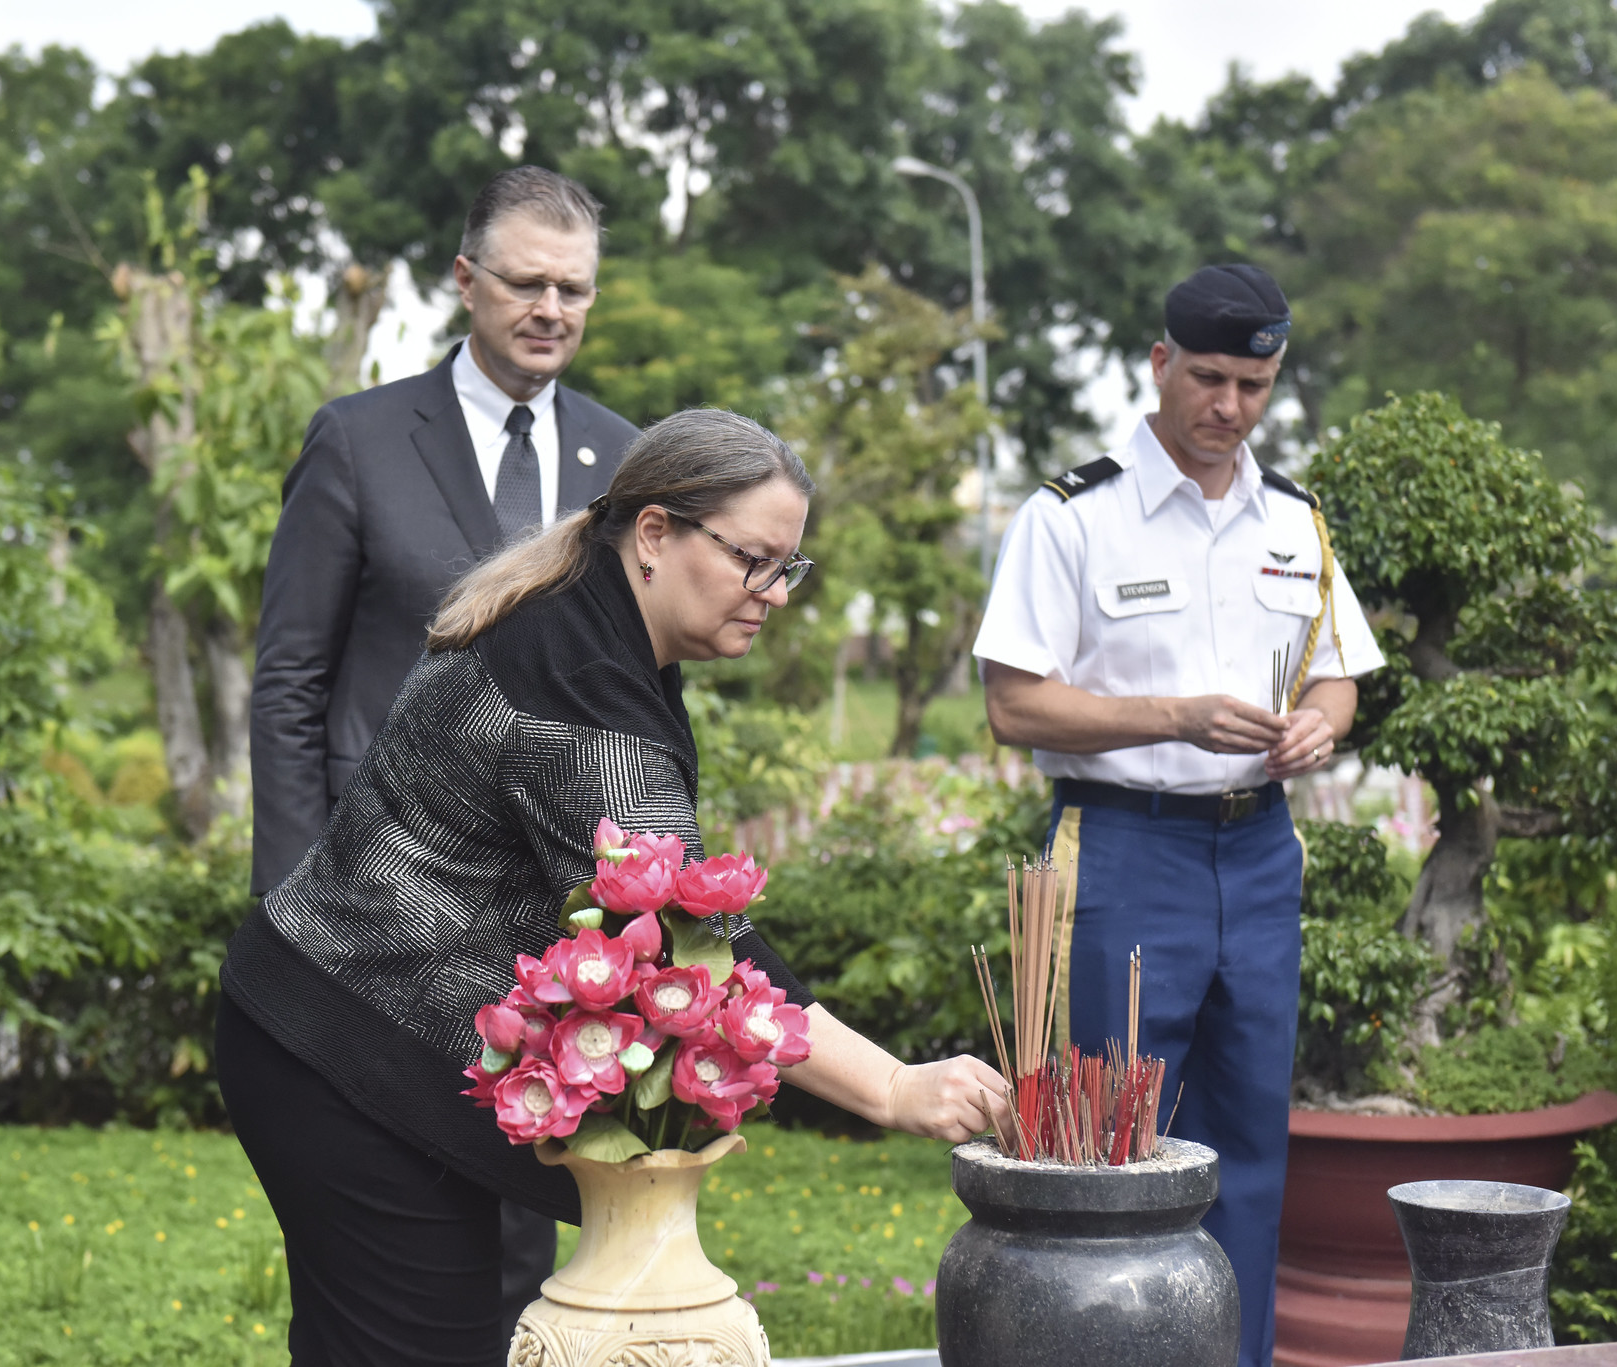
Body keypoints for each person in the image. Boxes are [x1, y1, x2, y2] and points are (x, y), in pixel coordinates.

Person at [221, 409, 1015, 1366]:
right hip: (340, 1054)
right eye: (752, 559)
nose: (775, 593)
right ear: (653, 534)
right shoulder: (579, 673)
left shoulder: (592, 623)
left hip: (336, 1038)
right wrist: (891, 1086)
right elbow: (694, 937)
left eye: (789, 567)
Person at [973, 264, 1387, 1367]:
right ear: (1157, 363)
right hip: (1118, 847)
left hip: (1256, 852)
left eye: (1253, 384)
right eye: (1206, 377)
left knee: (1250, 1145)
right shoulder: (1071, 516)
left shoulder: (1295, 518)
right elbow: (1012, 703)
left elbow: (1335, 670)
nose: (1228, 406)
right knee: (1104, 1137)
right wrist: (1172, 715)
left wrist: (1319, 723)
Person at [249, 166, 637, 1323]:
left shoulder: (628, 467)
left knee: (523, 1238)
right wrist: (289, 907)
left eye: (573, 288)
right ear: (465, 281)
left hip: (541, 930)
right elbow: (289, 684)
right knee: (364, 1242)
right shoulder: (359, 441)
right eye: (524, 282)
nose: (549, 309)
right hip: (364, 921)